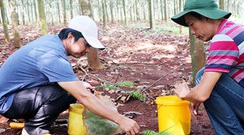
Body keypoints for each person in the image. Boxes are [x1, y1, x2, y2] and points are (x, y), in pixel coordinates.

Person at [0, 16, 140, 135]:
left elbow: (40, 76)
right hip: (8, 102)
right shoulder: (52, 56)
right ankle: (33, 130)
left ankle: (30, 120)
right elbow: (83, 96)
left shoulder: (51, 42)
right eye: (86, 44)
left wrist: (80, 85)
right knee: (68, 93)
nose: (87, 50)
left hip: (13, 96)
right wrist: (121, 120)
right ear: (70, 36)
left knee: (73, 89)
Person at [172, 0, 244, 134]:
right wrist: (196, 94)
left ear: (205, 17)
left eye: (192, 24)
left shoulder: (224, 39)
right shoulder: (233, 30)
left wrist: (185, 94)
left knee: (203, 77)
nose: (193, 32)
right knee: (206, 75)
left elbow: (202, 94)